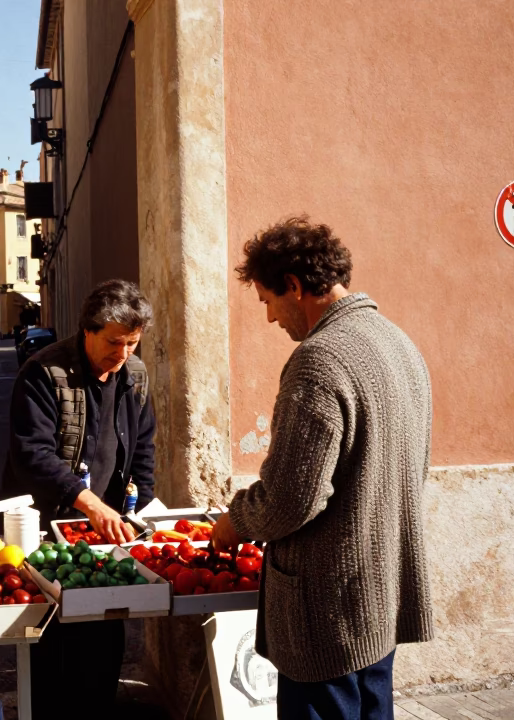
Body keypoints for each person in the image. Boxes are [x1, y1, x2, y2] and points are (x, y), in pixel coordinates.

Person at [213, 216, 433, 720]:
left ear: (295, 286)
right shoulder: (399, 343)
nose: (270, 318)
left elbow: (293, 496)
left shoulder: (320, 359)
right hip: (375, 595)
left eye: (268, 301)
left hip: (327, 609)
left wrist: (237, 521)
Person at [1, 278, 156, 718]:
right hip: (44, 526)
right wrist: (90, 502)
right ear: (87, 329)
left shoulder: (135, 375)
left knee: (104, 635)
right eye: (114, 342)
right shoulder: (43, 372)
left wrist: (136, 505)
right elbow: (32, 455)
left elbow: (144, 446)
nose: (123, 353)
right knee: (49, 641)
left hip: (102, 533)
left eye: (132, 343)